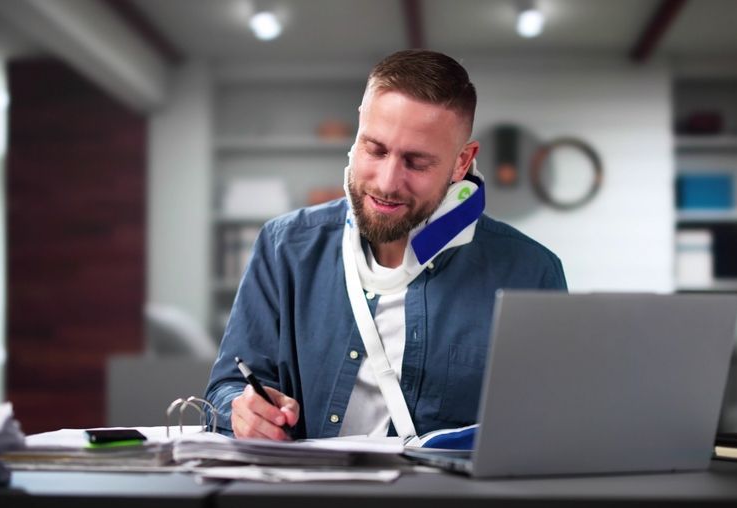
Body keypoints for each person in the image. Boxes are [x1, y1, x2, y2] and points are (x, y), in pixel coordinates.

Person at [205, 49, 567, 441]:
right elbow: (228, 388)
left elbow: (551, 425)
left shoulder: (530, 273)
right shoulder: (285, 248)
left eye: (417, 162)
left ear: (462, 162)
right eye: (375, 149)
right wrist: (244, 411)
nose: (387, 182)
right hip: (305, 481)